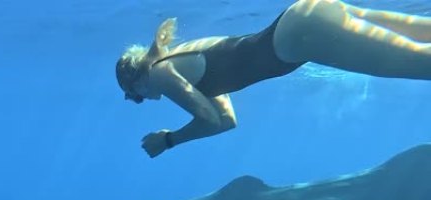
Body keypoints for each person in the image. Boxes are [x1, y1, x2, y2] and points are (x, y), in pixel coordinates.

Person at [116, 0, 431, 158]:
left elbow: (210, 121)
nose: (140, 99)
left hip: (300, 37)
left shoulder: (161, 75)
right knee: (422, 33)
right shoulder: (179, 56)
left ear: (136, 81)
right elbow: (226, 120)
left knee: (419, 62)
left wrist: (169, 140)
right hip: (305, 15)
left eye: (135, 96)